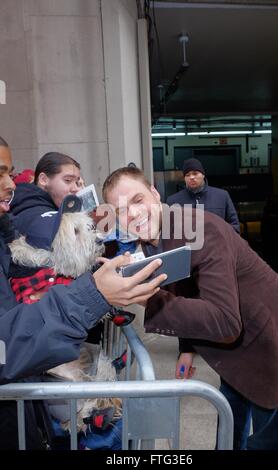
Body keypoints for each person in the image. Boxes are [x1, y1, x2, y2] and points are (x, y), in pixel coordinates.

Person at [103, 166, 278, 450]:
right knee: (230, 424)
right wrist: (187, 349)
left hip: (272, 339)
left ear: (155, 194)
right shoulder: (153, 241)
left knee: (270, 436)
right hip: (232, 351)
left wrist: (144, 297)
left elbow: (224, 322)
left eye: (137, 200)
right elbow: (187, 290)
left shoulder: (202, 228)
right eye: (120, 210)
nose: (132, 214)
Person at [0, 139, 166, 448]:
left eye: (9, 173)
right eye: (0, 174)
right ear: (43, 180)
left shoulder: (10, 227)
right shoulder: (38, 220)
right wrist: (92, 294)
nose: (9, 183)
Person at [167, 158, 240, 233]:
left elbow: (235, 227)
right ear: (184, 178)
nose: (191, 177)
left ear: (203, 175)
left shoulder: (222, 196)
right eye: (187, 175)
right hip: (188, 244)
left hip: (216, 244)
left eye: (195, 173)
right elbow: (169, 232)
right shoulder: (173, 201)